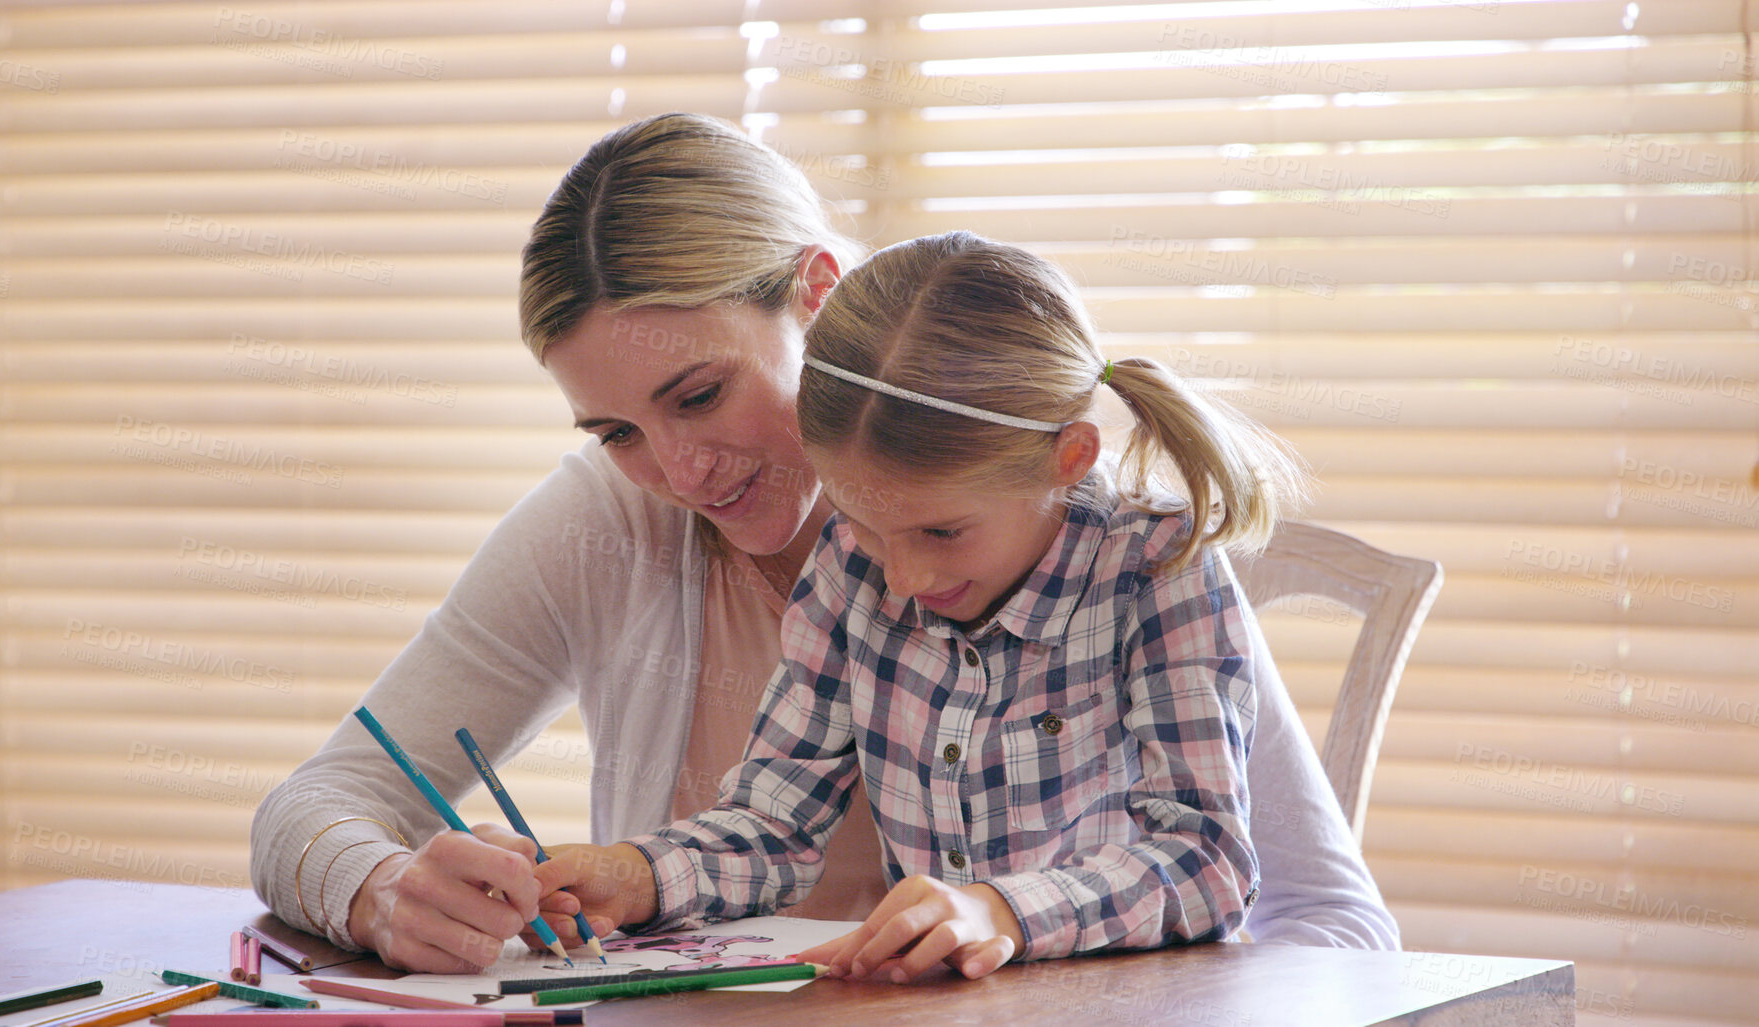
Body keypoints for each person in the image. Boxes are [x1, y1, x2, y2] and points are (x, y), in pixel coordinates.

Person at [247, 114, 1398, 976]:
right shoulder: (628, 524)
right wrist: (390, 890)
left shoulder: (1118, 551)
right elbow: (319, 803)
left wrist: (1012, 914)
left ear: (818, 294)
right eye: (616, 430)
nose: (679, 471)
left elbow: (1308, 908)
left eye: (698, 393)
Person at [536, 231, 1315, 981]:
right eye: (868, 526)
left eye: (941, 530)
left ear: (1067, 456)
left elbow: (1206, 860)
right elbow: (776, 822)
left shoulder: (1155, 567)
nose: (902, 577)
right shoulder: (849, 565)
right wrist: (632, 874)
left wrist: (1001, 914)